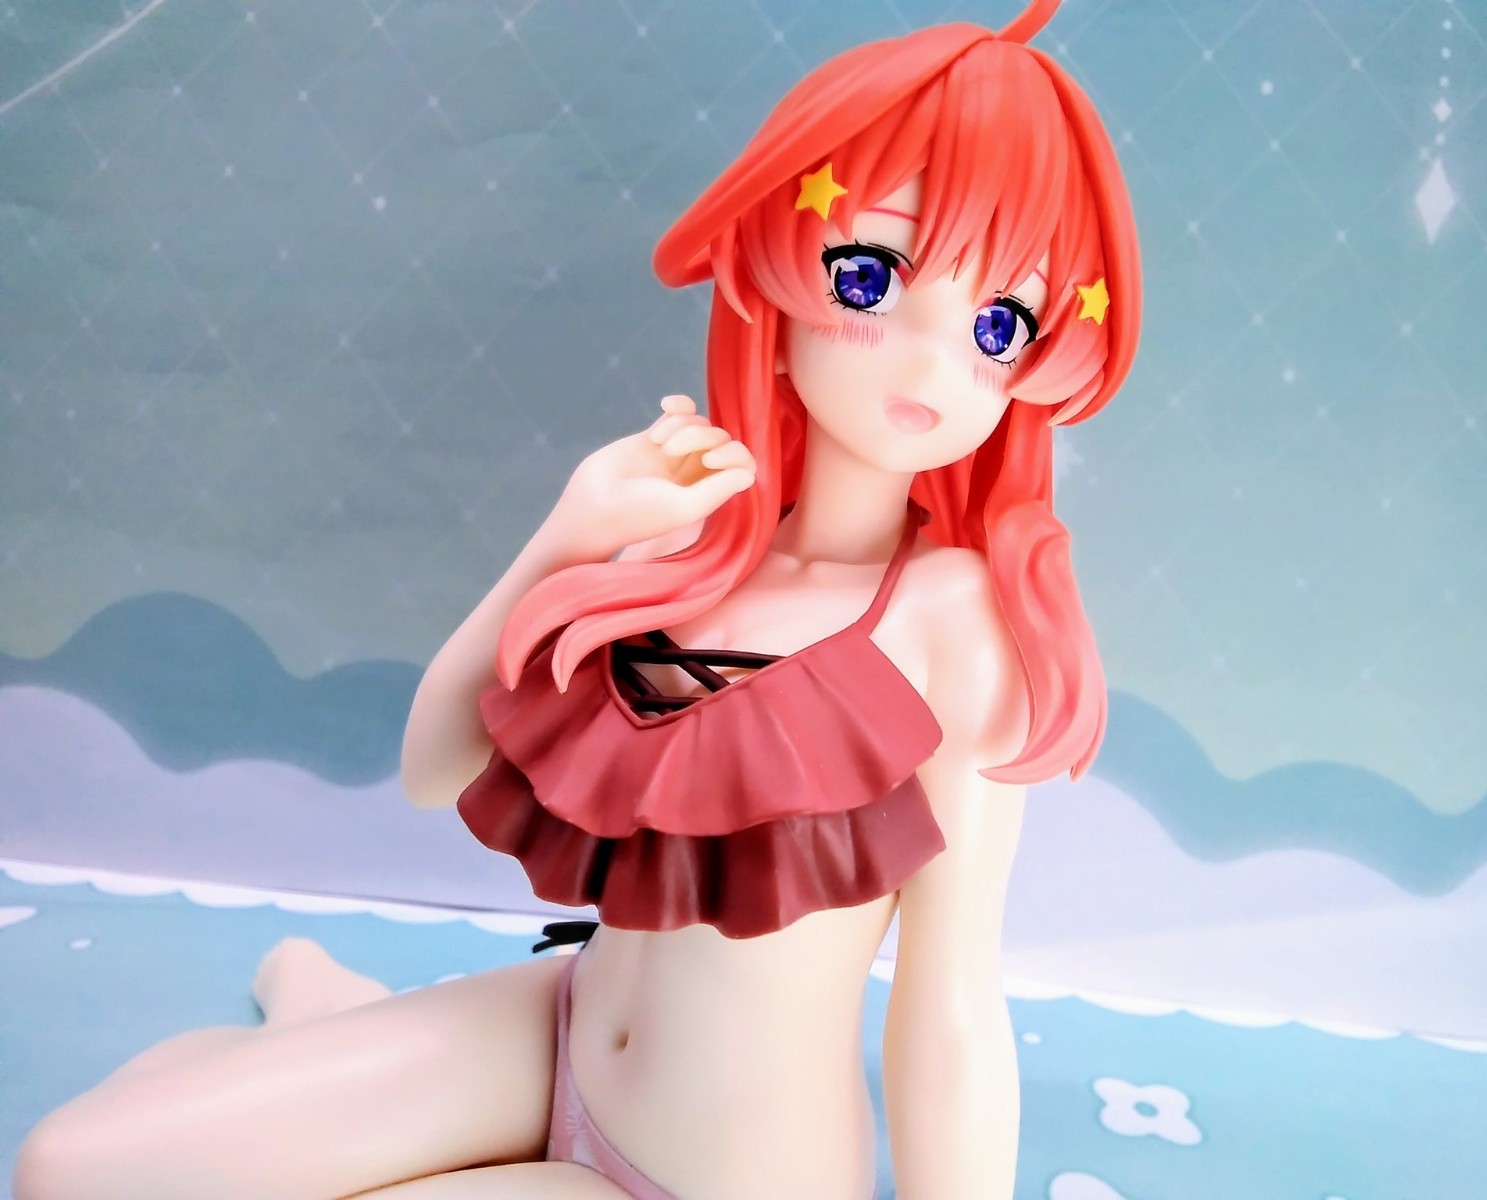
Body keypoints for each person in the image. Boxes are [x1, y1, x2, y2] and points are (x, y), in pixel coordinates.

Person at [13, 2, 1139, 1196]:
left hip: (710, 1172)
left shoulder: (959, 624)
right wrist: (566, 537)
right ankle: (326, 1030)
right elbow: (434, 770)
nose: (927, 363)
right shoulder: (695, 536)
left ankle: (324, 1032)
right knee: (64, 1169)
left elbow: (951, 1004)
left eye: (998, 323)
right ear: (779, 274)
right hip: (550, 1032)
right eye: (869, 277)